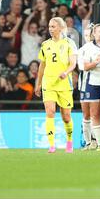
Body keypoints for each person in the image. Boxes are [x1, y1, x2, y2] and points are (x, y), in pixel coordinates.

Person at [35, 18, 77, 153]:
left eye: (53, 26)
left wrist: (66, 73)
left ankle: (69, 141)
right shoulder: (45, 45)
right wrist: (38, 83)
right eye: (49, 26)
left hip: (64, 83)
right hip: (49, 82)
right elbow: (42, 65)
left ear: (60, 27)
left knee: (66, 116)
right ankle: (51, 145)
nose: (50, 29)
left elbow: (73, 64)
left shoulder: (69, 43)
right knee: (50, 111)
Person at [77, 26, 95, 150]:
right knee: (86, 114)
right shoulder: (82, 50)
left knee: (95, 113)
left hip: (96, 83)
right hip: (84, 84)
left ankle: (95, 140)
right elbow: (82, 66)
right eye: (86, 35)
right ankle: (88, 141)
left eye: (90, 34)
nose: (88, 37)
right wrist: (94, 63)